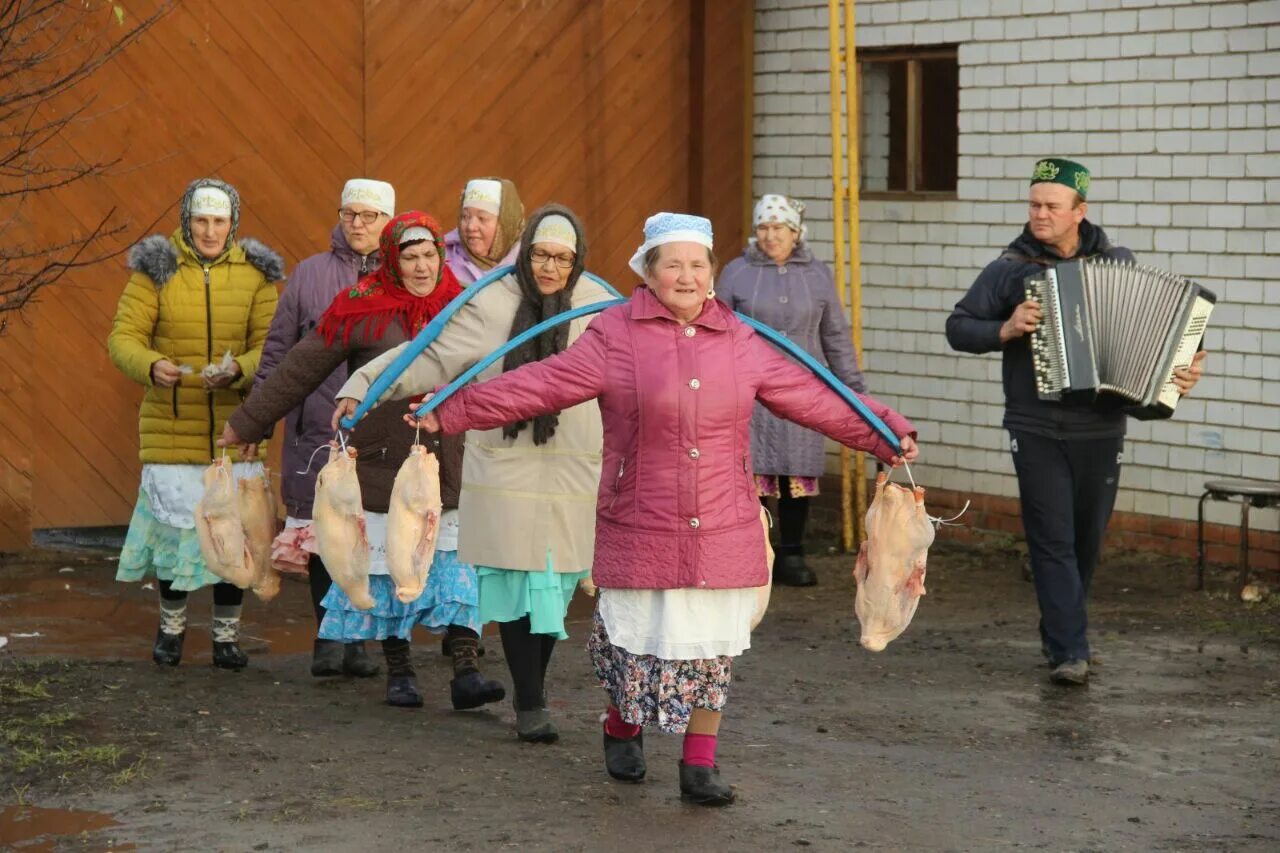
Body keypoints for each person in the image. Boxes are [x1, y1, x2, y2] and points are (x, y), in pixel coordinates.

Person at [408, 212, 919, 806]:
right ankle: (621, 727)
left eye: (697, 264)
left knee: (711, 649)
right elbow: (539, 384)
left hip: (723, 521)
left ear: (711, 273)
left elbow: (812, 395)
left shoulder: (742, 340)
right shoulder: (614, 334)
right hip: (641, 518)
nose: (686, 276)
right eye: (671, 263)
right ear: (648, 272)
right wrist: (452, 409)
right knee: (636, 643)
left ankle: (699, 763)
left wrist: (885, 432)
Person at [334, 205, 612, 743]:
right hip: (504, 468)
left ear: (577, 262)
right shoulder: (491, 300)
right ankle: (531, 704)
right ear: (524, 250)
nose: (550, 268)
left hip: (572, 467)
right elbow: (430, 355)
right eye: (540, 254)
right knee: (514, 585)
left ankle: (536, 687)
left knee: (551, 587)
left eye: (563, 258)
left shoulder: (601, 305)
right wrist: (362, 387)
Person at [219, 212, 505, 711]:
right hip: (380, 461)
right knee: (388, 568)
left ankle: (467, 671)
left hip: (448, 463)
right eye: (410, 257)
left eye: (429, 255)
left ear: (443, 255)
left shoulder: (464, 307)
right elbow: (298, 368)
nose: (421, 267)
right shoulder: (361, 309)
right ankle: (400, 671)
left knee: (457, 568)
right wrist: (249, 422)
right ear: (392, 260)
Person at [945, 158, 1207, 686]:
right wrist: (1007, 327)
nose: (1039, 214)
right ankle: (1071, 649)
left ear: (1078, 212)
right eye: (1034, 204)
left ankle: (1061, 631)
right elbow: (959, 326)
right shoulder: (1011, 269)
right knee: (1052, 539)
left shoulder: (1118, 261)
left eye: (1051, 206)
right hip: (1034, 424)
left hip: (1102, 427)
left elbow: (1158, 334)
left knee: (1086, 541)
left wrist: (1183, 370)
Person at [107, 177, 282, 670]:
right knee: (175, 541)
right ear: (187, 220)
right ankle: (171, 629)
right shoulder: (154, 274)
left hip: (238, 432)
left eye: (219, 221)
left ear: (233, 224)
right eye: (201, 220)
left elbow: (272, 346)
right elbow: (124, 337)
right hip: (171, 430)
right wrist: (150, 365)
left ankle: (226, 637)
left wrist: (239, 369)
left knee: (235, 539)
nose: (209, 231)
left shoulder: (255, 277)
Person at [255, 178, 394, 679]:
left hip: (377, 430)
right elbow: (277, 350)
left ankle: (359, 638)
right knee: (322, 537)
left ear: (387, 221)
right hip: (315, 425)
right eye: (349, 213)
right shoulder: (310, 274)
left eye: (369, 215)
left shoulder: (401, 277)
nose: (358, 224)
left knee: (367, 535)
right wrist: (262, 413)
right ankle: (327, 637)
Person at [716, 193, 868, 587]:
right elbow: (716, 331)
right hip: (749, 387)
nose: (770, 236)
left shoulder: (816, 274)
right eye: (763, 227)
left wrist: (853, 389)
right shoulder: (736, 272)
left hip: (804, 386)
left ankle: (793, 552)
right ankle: (757, 551)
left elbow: (834, 332)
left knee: (797, 472)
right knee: (754, 471)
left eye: (779, 228)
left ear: (795, 232)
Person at [443, 177, 524, 285]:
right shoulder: (440, 260)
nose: (471, 227)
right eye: (465, 216)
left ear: (506, 223)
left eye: (482, 218)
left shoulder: (530, 263)